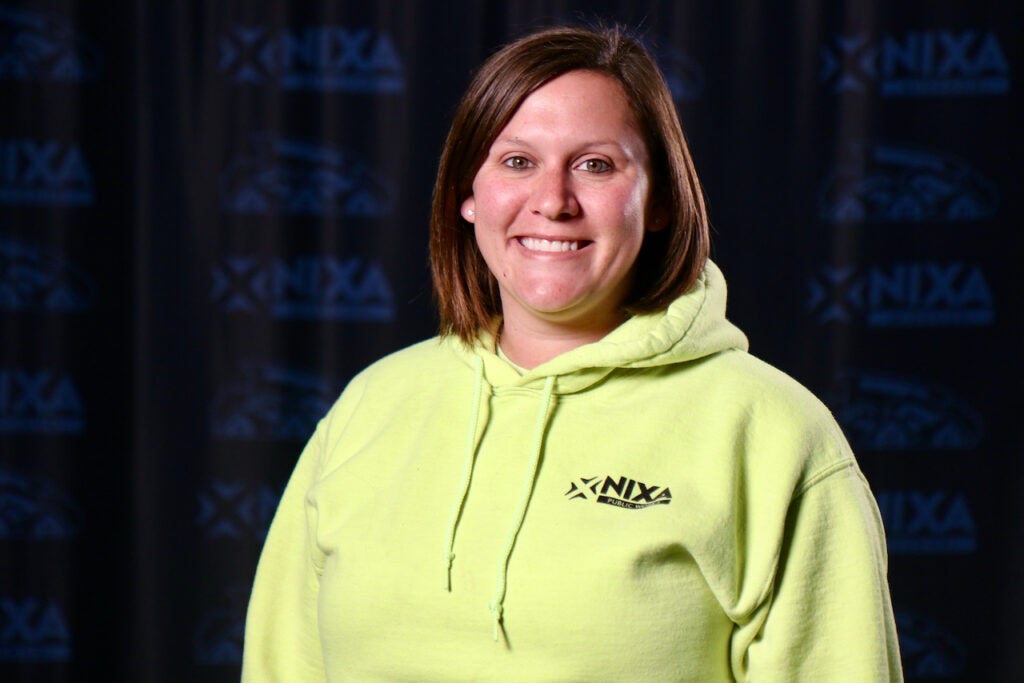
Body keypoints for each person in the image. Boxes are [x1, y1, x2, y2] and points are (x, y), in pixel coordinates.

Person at [242, 24, 903, 681]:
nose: (553, 202)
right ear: (468, 195)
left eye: (595, 165)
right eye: (517, 162)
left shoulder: (771, 431)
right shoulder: (370, 406)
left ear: (660, 199)